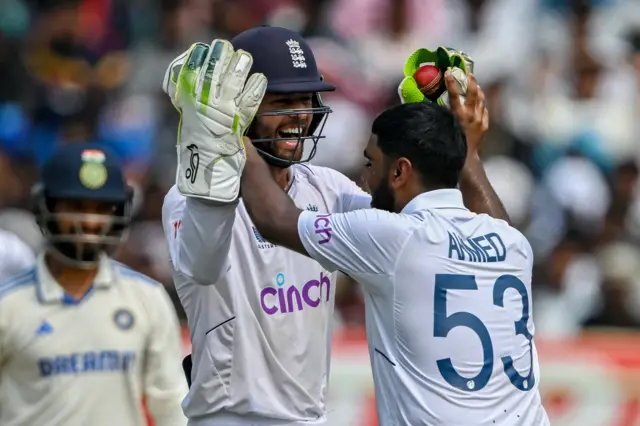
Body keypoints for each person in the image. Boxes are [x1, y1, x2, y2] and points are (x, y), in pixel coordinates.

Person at [162, 27, 508, 426]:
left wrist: (437, 138)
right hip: (230, 417)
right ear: (241, 106)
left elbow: (444, 230)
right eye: (282, 100)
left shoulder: (327, 189)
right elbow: (203, 267)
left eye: (305, 99)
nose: (298, 114)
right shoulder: (191, 198)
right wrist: (220, 149)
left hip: (311, 417)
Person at [239, 79, 550, 424]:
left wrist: (236, 134)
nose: (364, 178)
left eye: (371, 163)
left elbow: (273, 218)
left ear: (400, 171)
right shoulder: (513, 244)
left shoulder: (391, 236)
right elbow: (495, 221)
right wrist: (468, 149)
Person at [0, 143, 188, 426]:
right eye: (75, 207)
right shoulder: (8, 304)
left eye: (102, 209)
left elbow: (171, 407)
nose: (89, 221)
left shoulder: (147, 298)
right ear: (45, 207)